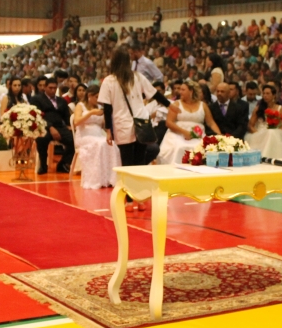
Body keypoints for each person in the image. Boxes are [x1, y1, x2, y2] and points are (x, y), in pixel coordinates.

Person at [99, 47, 170, 210]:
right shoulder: (137, 77)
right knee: (139, 163)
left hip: (122, 125)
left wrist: (108, 131)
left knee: (127, 165)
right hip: (141, 123)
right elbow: (155, 94)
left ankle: (130, 201)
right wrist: (170, 105)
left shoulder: (109, 81)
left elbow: (107, 109)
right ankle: (141, 199)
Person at [158, 80, 221, 165]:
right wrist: (184, 132)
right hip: (178, 134)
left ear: (191, 91)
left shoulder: (203, 105)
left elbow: (211, 123)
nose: (180, 92)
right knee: (179, 147)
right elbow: (169, 122)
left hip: (197, 135)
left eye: (183, 90)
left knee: (200, 147)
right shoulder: (176, 104)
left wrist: (220, 136)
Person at [72, 84, 120, 189]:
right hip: (84, 135)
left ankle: (110, 178)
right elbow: (76, 122)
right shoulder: (80, 105)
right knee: (100, 144)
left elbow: (103, 124)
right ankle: (97, 179)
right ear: (89, 95)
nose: (98, 100)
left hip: (98, 134)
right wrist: (91, 113)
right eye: (96, 97)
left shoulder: (100, 107)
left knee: (112, 144)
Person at [33, 77, 75, 174]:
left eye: (54, 88)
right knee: (42, 139)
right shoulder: (37, 99)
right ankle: (43, 165)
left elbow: (66, 116)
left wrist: (69, 125)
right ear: (45, 87)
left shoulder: (61, 101)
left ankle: (63, 164)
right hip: (44, 126)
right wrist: (50, 127)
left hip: (60, 127)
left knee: (74, 140)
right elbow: (37, 115)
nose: (52, 90)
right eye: (50, 88)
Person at [244, 84, 282, 159]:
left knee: (271, 133)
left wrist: (275, 132)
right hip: (259, 133)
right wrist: (258, 134)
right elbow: (250, 125)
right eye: (264, 93)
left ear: (274, 95)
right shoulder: (258, 109)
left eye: (268, 93)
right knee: (269, 134)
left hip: (275, 133)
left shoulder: (280, 108)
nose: (265, 95)